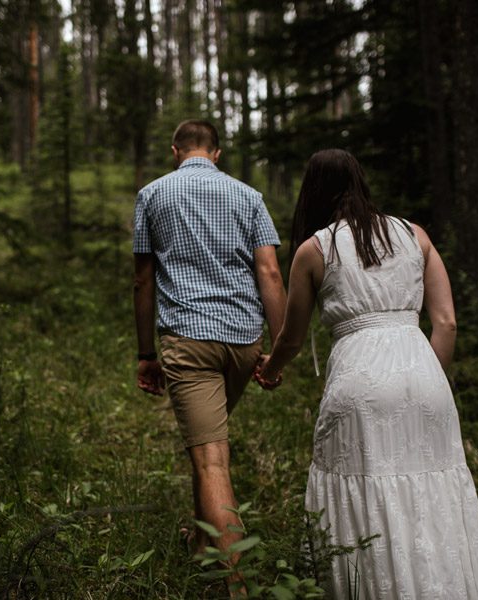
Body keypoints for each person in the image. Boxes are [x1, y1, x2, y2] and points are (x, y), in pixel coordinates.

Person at [255, 149, 478, 599]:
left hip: (359, 380)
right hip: (424, 375)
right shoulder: (415, 235)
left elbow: (291, 339)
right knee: (431, 489)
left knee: (363, 490)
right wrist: (425, 373)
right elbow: (446, 322)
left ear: (313, 192)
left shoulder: (315, 249)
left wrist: (269, 369)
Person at [132, 120, 288, 579]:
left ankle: (234, 583)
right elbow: (271, 274)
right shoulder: (249, 197)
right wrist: (277, 354)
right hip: (243, 341)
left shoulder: (152, 195)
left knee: (211, 459)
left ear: (176, 150)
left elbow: (143, 279)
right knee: (208, 446)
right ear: (216, 154)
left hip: (188, 340)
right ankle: (204, 542)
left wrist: (146, 353)